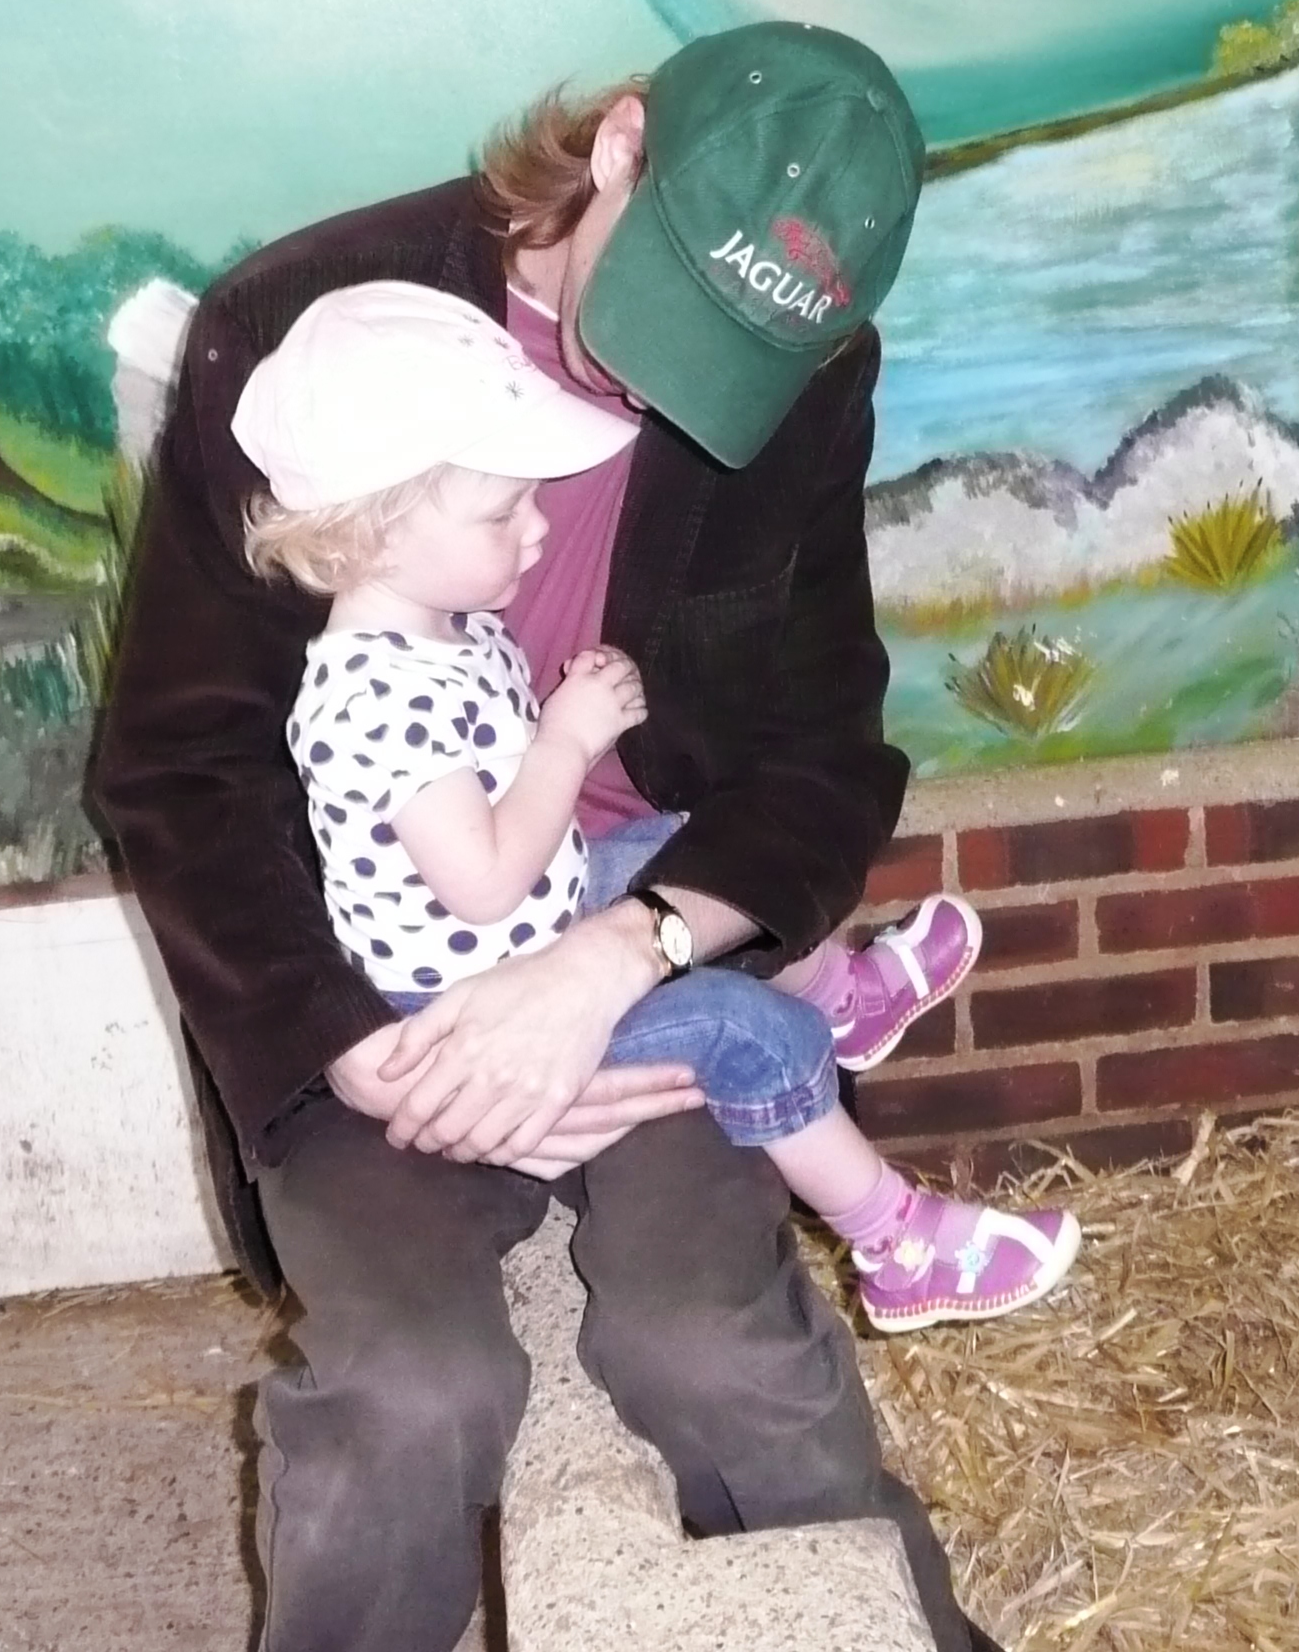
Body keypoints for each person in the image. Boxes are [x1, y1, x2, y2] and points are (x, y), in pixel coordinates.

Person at [95, 22, 1016, 1652]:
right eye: (666, 318)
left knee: (709, 1348)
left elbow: (822, 759)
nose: (661, 391)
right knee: (412, 1389)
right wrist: (347, 1047)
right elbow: (176, 765)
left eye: (732, 358)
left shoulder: (811, 376)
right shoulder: (301, 330)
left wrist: (621, 954)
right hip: (377, 979)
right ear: (618, 148)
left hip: (634, 930)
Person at [238, 278, 1078, 1330]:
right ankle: (894, 1240)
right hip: (465, 1003)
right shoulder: (372, 694)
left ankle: (843, 995)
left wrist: (554, 718)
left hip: (526, 920)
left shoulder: (440, 624)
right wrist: (567, 738)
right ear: (375, 534)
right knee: (746, 1030)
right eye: (503, 512)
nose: (538, 531)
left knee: (692, 850)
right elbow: (483, 880)